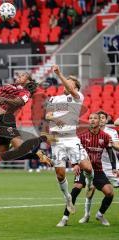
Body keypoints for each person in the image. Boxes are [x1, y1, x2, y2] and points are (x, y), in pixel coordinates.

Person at [45, 65, 94, 219]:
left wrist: (59, 74)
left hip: (71, 138)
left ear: (76, 87)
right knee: (60, 175)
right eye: (66, 81)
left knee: (87, 166)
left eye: (70, 82)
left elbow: (71, 90)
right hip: (57, 139)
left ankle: (91, 182)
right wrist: (55, 119)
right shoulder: (54, 98)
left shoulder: (77, 96)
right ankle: (68, 197)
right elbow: (48, 116)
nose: (66, 83)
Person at [59, 113, 118, 227]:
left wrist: (114, 168)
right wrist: (75, 164)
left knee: (110, 193)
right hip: (83, 168)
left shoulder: (105, 136)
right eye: (90, 118)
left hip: (98, 170)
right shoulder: (82, 136)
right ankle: (65, 218)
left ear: (99, 121)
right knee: (76, 190)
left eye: (95, 118)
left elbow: (111, 153)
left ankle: (100, 214)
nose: (92, 120)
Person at [78, 111, 119, 224]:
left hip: (110, 167)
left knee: (110, 192)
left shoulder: (111, 132)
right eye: (98, 118)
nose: (100, 120)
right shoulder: (88, 133)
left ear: (106, 120)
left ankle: (100, 214)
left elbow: (116, 148)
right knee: (90, 189)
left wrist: (112, 144)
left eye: (102, 118)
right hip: (96, 167)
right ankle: (86, 214)